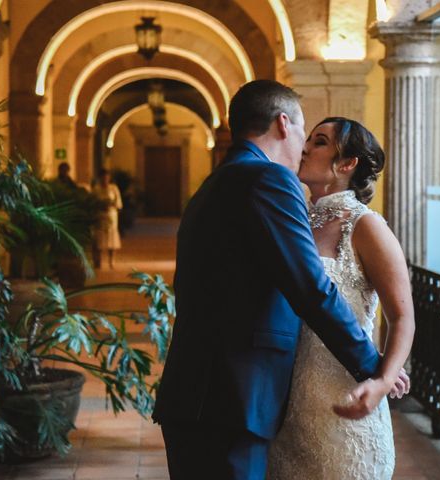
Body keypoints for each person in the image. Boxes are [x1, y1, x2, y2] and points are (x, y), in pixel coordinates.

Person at [152, 80, 410, 480]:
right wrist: (373, 368)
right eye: (306, 134)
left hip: (198, 393)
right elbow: (310, 288)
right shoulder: (270, 180)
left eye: (318, 141)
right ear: (283, 124)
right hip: (235, 398)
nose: (304, 146)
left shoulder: (211, 186)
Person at [267, 117, 415, 479]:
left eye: (319, 142)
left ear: (347, 164)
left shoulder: (366, 226)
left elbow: (402, 316)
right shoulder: (296, 220)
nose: (304, 148)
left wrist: (383, 379)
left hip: (344, 403)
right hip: (289, 406)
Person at [93, 168, 122, 269]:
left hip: (111, 215)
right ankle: (98, 260)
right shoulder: (96, 189)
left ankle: (111, 260)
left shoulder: (113, 188)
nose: (105, 179)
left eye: (107, 176)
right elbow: (93, 202)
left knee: (112, 237)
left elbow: (118, 203)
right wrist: (101, 205)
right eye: (103, 177)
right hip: (100, 215)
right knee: (100, 238)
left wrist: (111, 204)